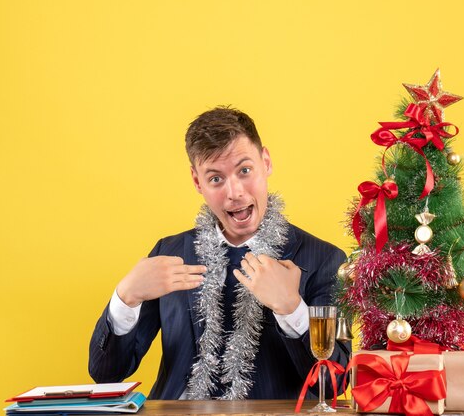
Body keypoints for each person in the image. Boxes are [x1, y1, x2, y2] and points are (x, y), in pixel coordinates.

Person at [89, 106, 350, 400]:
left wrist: (291, 307)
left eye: (245, 170)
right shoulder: (169, 253)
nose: (234, 192)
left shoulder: (325, 260)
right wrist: (126, 297)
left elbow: (334, 385)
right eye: (216, 179)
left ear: (266, 162)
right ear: (197, 181)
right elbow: (106, 373)